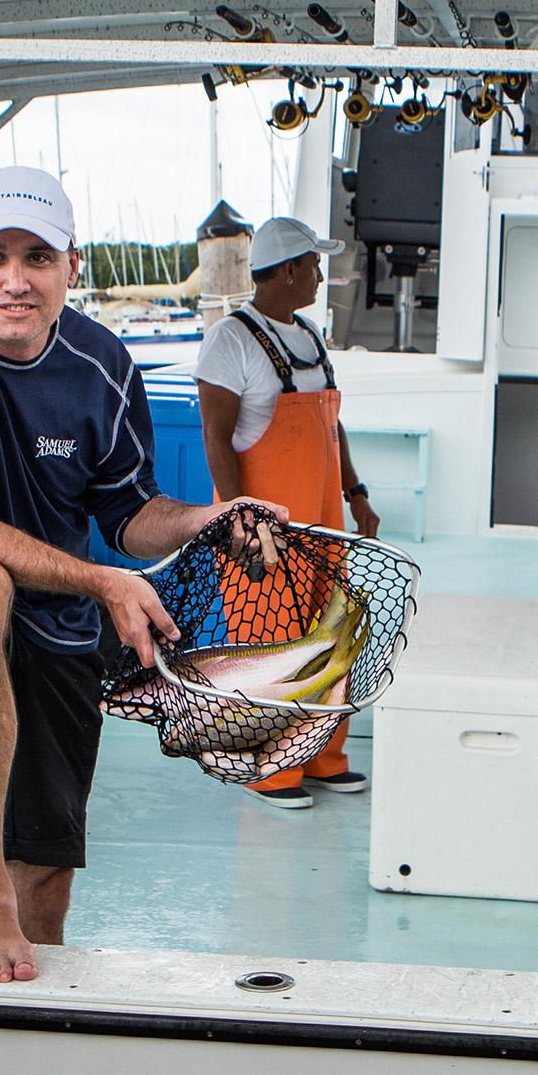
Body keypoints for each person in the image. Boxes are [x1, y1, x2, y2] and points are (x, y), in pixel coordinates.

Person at [0, 165, 266, 985]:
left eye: (38, 258)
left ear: (72, 268)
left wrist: (207, 519)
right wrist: (104, 582)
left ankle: (17, 991)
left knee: (45, 879)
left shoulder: (105, 363)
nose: (16, 280)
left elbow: (128, 513)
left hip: (59, 629)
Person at [192, 215, 380, 811]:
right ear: (289, 269)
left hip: (325, 522)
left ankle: (324, 758)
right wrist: (237, 518)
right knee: (269, 641)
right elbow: (217, 437)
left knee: (333, 634)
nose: (321, 277)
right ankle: (268, 771)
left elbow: (331, 425)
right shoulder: (232, 340)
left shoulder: (311, 337)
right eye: (315, 266)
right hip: (265, 525)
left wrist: (356, 492)